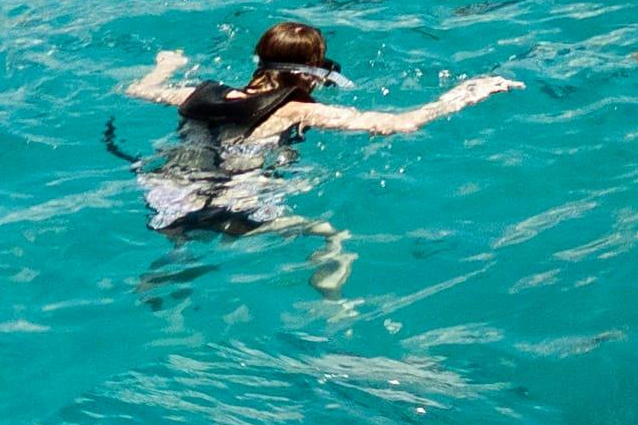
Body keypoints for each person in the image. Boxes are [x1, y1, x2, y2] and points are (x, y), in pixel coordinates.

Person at [118, 22, 514, 295]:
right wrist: (462, 96)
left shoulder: (195, 94)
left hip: (166, 203)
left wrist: (164, 66)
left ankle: (174, 260)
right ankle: (334, 304)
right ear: (310, 74)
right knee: (327, 232)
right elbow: (400, 124)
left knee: (184, 244)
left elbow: (137, 89)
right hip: (237, 213)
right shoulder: (293, 110)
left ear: (259, 57)